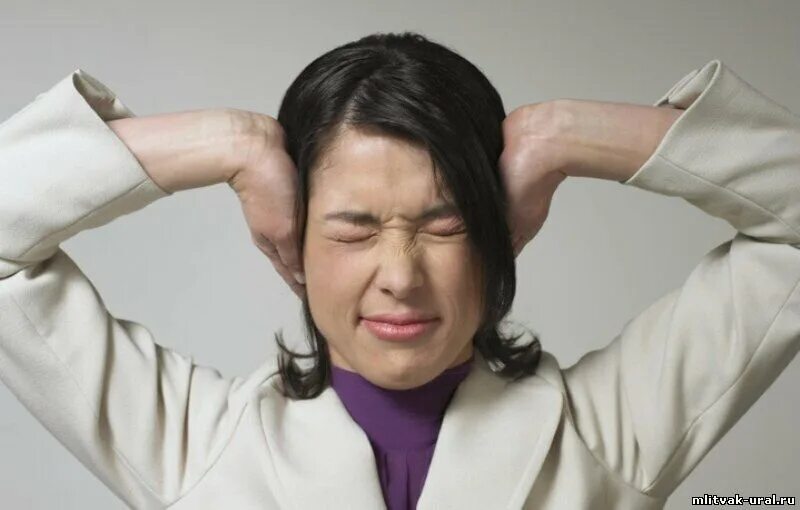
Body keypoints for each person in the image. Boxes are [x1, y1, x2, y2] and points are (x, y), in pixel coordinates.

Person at [0, 31, 798, 510]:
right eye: (353, 230)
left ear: (499, 232)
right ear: (292, 240)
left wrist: (563, 134)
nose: (400, 276)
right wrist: (231, 144)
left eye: (444, 225)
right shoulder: (191, 444)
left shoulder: (610, 432)